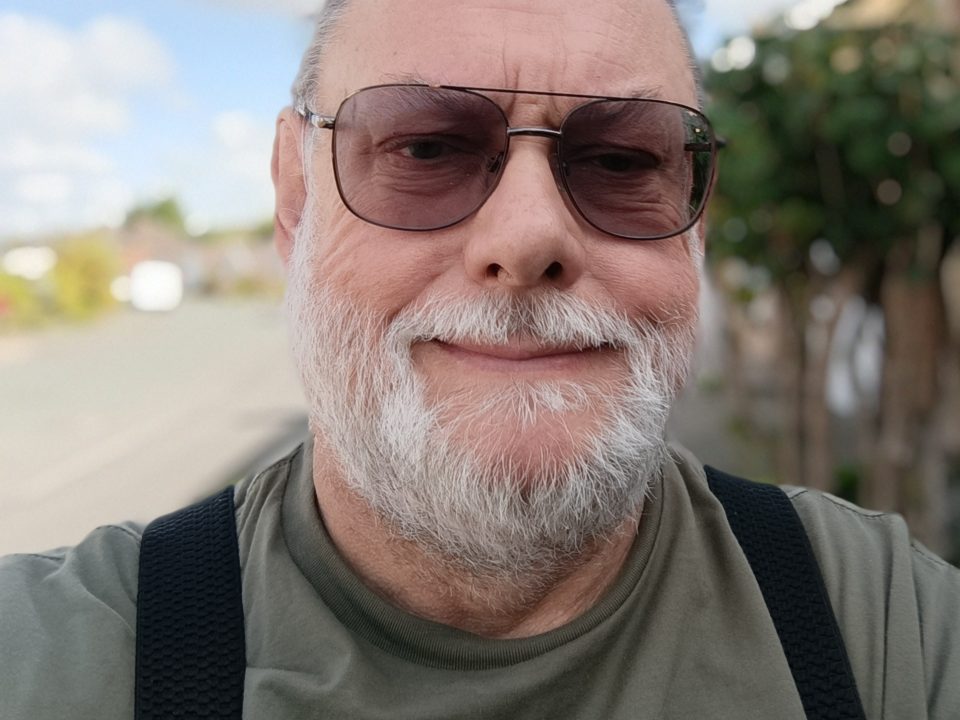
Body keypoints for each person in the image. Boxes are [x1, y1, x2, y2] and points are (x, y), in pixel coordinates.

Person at [1, 0, 958, 717]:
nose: (531, 234)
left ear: (697, 220)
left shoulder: (876, 623)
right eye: (424, 148)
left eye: (624, 161)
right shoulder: (60, 655)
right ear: (296, 201)